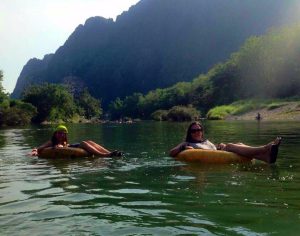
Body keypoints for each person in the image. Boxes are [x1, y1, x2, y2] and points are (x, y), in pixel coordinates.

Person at [169, 121, 282, 164]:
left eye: (199, 130)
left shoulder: (206, 141)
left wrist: (219, 147)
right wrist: (182, 147)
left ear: (202, 132)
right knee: (230, 146)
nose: (197, 132)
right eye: (194, 130)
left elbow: (213, 150)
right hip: (211, 158)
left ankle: (265, 158)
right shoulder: (188, 143)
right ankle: (264, 149)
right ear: (190, 133)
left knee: (239, 143)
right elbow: (171, 153)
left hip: (218, 153)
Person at [31, 125, 123, 157]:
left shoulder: (64, 142)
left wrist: (63, 146)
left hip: (71, 147)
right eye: (59, 133)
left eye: (63, 133)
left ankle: (110, 153)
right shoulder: (51, 142)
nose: (61, 135)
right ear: (55, 134)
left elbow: (67, 147)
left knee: (90, 141)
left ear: (65, 135)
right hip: (69, 148)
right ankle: (105, 155)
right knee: (83, 143)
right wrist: (35, 151)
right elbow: (39, 148)